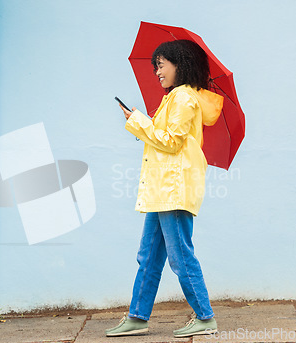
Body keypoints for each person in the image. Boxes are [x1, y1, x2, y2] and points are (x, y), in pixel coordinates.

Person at [106, 40, 224, 338]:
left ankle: (205, 317)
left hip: (173, 190)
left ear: (179, 65)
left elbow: (171, 142)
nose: (157, 72)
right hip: (162, 191)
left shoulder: (184, 99)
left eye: (161, 65)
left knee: (180, 256)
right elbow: (163, 139)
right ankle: (137, 316)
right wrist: (140, 122)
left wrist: (137, 122)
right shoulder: (173, 98)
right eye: (156, 66)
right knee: (149, 256)